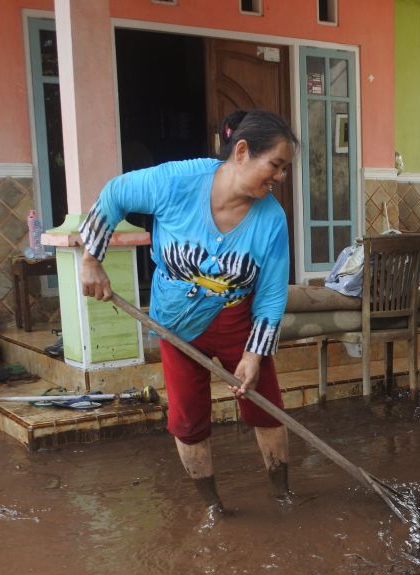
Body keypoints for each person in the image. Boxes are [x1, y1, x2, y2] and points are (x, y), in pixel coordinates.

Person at [79, 110, 298, 518]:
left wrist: (253, 356)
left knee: (265, 406)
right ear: (243, 151)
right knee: (187, 417)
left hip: (238, 321)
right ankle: (214, 508)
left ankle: (282, 494)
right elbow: (114, 194)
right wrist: (92, 259)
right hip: (175, 323)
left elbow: (269, 297)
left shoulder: (272, 220)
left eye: (284, 170)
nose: (279, 178)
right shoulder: (177, 182)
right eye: (276, 166)